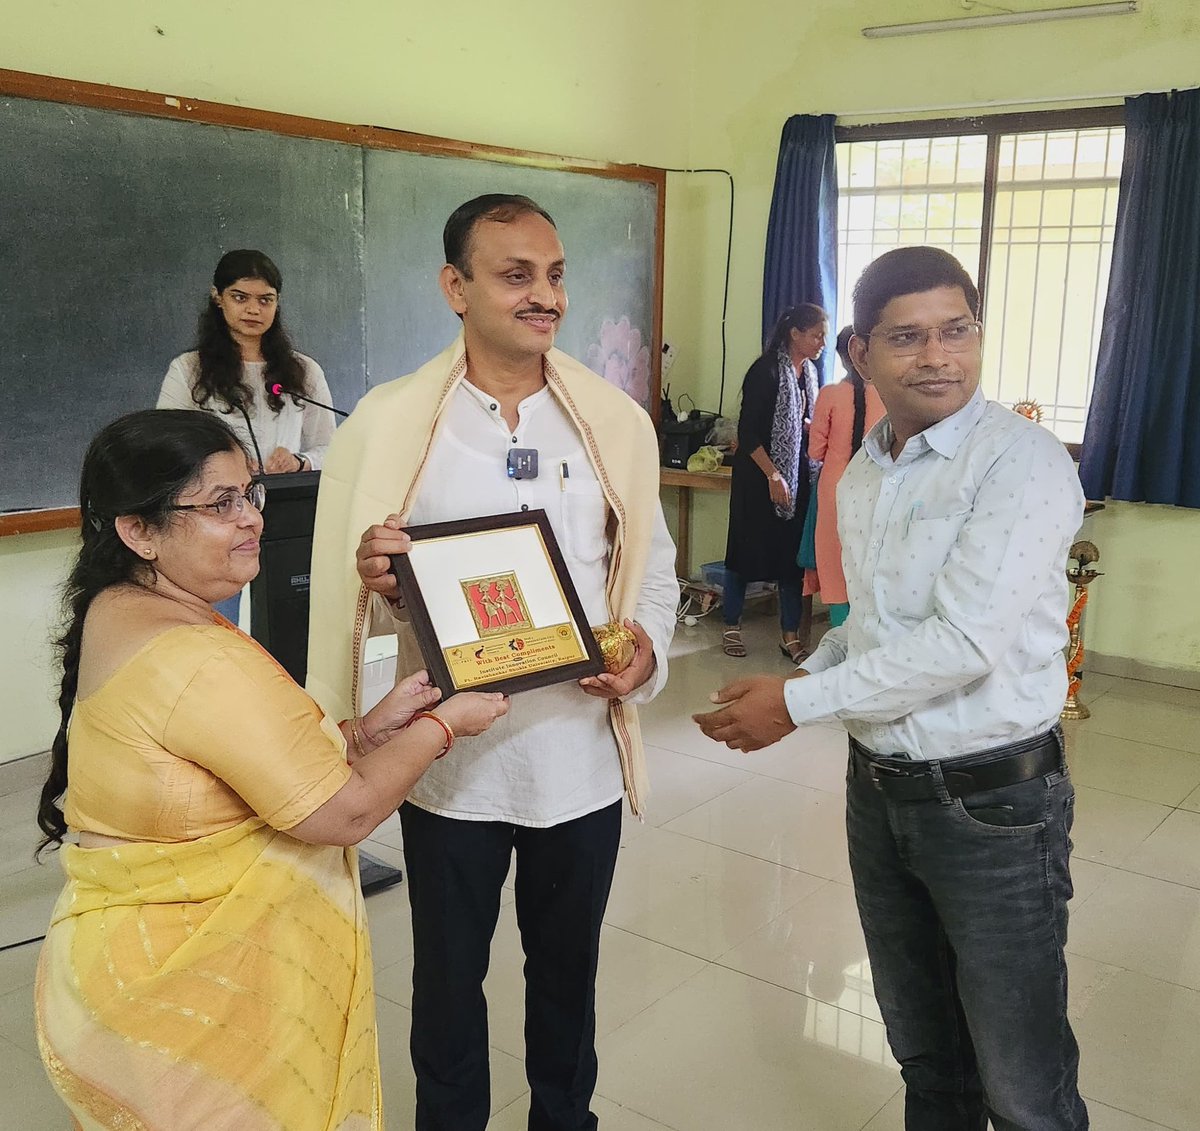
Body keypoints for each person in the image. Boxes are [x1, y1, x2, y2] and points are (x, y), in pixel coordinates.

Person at [306, 193, 679, 1131]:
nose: (544, 295)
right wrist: (384, 582)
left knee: (567, 981)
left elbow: (652, 569)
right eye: (516, 275)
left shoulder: (612, 421)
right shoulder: (392, 422)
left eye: (554, 275)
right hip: (448, 768)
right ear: (455, 286)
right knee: (445, 986)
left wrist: (642, 657)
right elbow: (371, 598)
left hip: (577, 761)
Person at [694, 247, 1088, 1130]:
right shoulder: (870, 467)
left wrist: (793, 706)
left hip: (993, 805)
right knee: (926, 1054)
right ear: (860, 351)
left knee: (1022, 1084)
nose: (937, 356)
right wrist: (800, 680)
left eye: (957, 331)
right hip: (878, 792)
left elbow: (963, 643)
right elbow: (869, 627)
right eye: (907, 337)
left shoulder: (1020, 462)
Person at [34, 409, 507, 1131]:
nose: (252, 517)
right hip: (191, 997)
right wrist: (445, 724)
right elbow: (344, 812)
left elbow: (230, 766)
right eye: (219, 503)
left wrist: (365, 731)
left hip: (129, 966)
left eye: (249, 493)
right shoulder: (196, 654)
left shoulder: (124, 604)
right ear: (138, 531)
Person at [721, 303, 826, 661]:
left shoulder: (808, 373)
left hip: (796, 478)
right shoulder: (765, 371)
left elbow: (799, 419)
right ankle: (731, 625)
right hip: (758, 475)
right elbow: (748, 433)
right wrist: (772, 474)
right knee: (745, 552)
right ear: (795, 334)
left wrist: (809, 426)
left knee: (790, 559)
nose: (821, 343)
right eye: (816, 335)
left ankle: (789, 636)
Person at [803, 325, 886, 629]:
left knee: (835, 566)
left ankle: (840, 635)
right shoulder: (887, 395)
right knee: (869, 561)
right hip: (877, 485)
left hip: (834, 488)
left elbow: (815, 452)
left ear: (842, 356)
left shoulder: (830, 394)